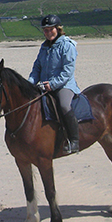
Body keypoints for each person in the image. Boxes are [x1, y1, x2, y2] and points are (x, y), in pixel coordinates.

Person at [28, 14, 81, 154]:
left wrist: (53, 84)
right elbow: (37, 68)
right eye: (45, 30)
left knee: (63, 105)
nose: (48, 32)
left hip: (64, 86)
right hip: (45, 85)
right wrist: (29, 84)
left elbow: (67, 70)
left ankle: (74, 140)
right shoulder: (44, 47)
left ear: (58, 29)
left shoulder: (67, 45)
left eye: (51, 29)